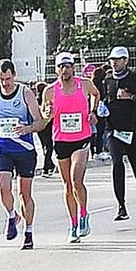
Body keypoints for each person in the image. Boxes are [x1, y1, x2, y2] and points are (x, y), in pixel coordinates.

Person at [0, 58, 49, 249]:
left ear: (14, 75)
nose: (5, 83)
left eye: (8, 78)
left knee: (24, 194)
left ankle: (28, 231)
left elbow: (40, 121)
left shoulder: (25, 93)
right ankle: (12, 215)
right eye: (2, 79)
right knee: (2, 186)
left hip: (25, 150)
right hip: (3, 149)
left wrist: (27, 129)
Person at [97, 45, 136, 222]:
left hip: (133, 130)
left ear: (125, 61)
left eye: (117, 60)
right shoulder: (108, 80)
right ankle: (121, 206)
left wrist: (131, 97)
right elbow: (105, 100)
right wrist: (101, 108)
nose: (114, 63)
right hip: (114, 131)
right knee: (117, 163)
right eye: (112, 60)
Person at [45, 52, 97, 241]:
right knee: (67, 185)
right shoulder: (50, 91)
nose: (64, 70)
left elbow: (96, 95)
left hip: (81, 138)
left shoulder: (83, 84)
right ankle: (73, 224)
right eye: (61, 66)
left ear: (73, 67)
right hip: (61, 140)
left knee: (76, 180)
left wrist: (92, 112)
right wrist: (47, 113)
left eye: (67, 66)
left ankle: (84, 214)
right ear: (56, 69)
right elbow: (46, 113)